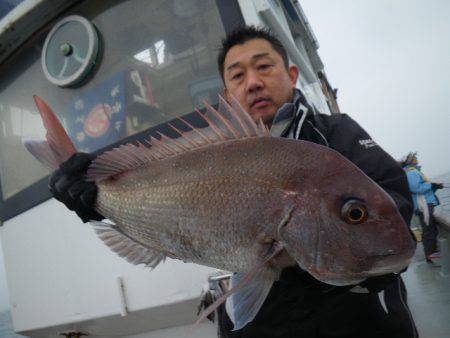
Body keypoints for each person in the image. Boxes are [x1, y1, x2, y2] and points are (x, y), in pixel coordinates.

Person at [48, 26, 418, 338]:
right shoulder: (209, 149)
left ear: (290, 75)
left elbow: (395, 201)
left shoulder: (337, 133)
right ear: (227, 94)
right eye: (238, 75)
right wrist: (94, 196)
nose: (254, 82)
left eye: (264, 67)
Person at [401, 152, 443, 265]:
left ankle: (432, 256)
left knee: (430, 230)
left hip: (424, 204)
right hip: (423, 205)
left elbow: (419, 188)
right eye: (414, 157)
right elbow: (416, 188)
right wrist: (431, 185)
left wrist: (433, 186)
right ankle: (431, 257)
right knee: (429, 231)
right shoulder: (411, 172)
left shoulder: (412, 171)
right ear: (410, 161)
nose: (416, 158)